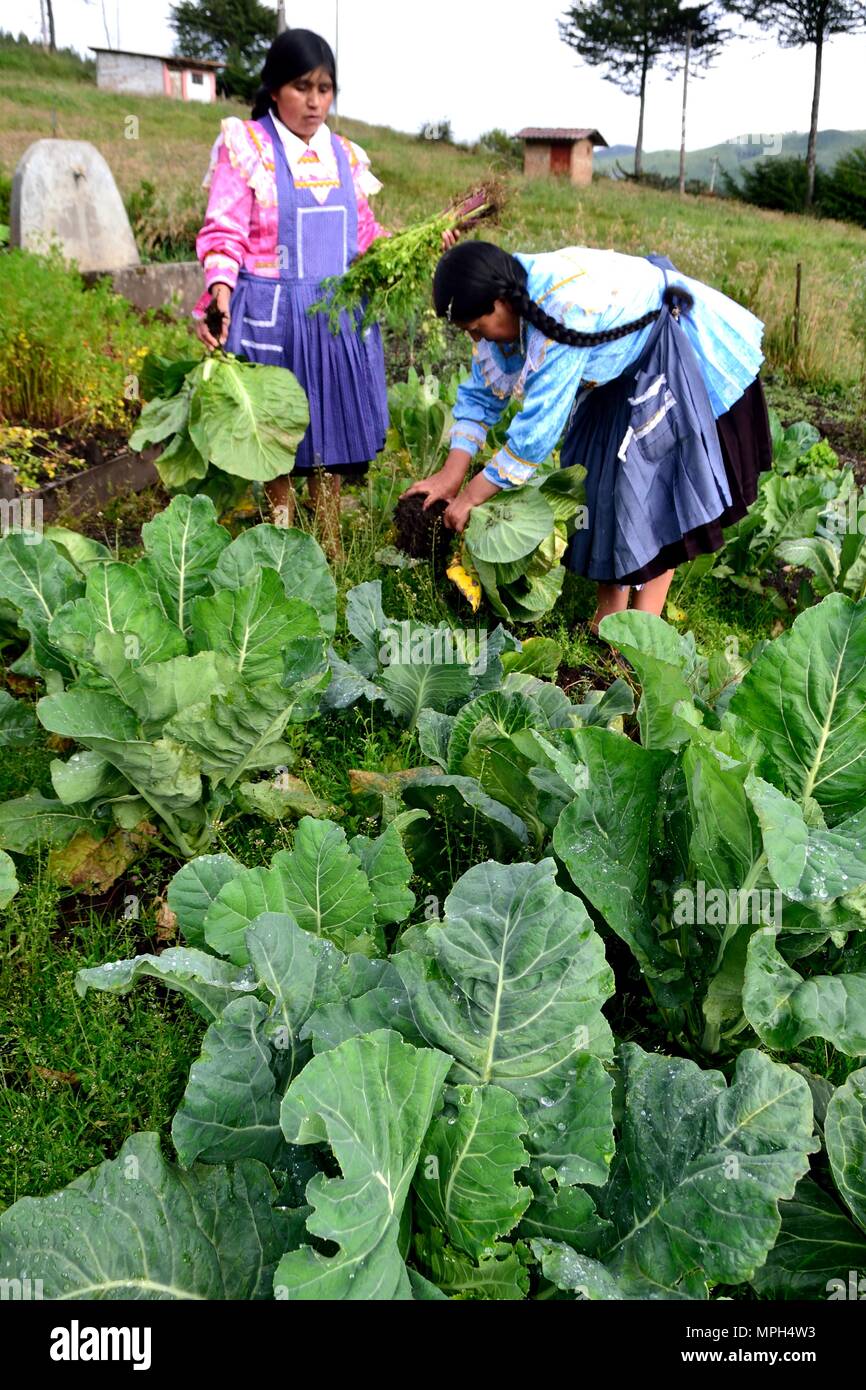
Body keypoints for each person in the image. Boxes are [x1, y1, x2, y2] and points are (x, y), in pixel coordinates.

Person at [404, 241, 771, 631]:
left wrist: (472, 495)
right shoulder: (510, 295)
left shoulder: (562, 311)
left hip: (676, 354)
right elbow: (481, 393)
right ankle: (608, 617)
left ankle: (641, 628)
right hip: (618, 368)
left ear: (499, 302)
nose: (478, 340)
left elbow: (537, 432)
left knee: (659, 492)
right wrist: (451, 475)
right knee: (599, 483)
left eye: (477, 329)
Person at [193, 30, 457, 557]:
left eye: (325, 89)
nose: (315, 102)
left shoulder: (343, 157)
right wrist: (220, 289)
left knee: (328, 429)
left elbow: (365, 238)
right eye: (301, 87)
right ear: (273, 89)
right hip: (274, 314)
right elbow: (224, 231)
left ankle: (331, 542)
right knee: (276, 432)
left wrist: (424, 242)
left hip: (336, 315)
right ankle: (284, 538)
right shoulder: (247, 148)